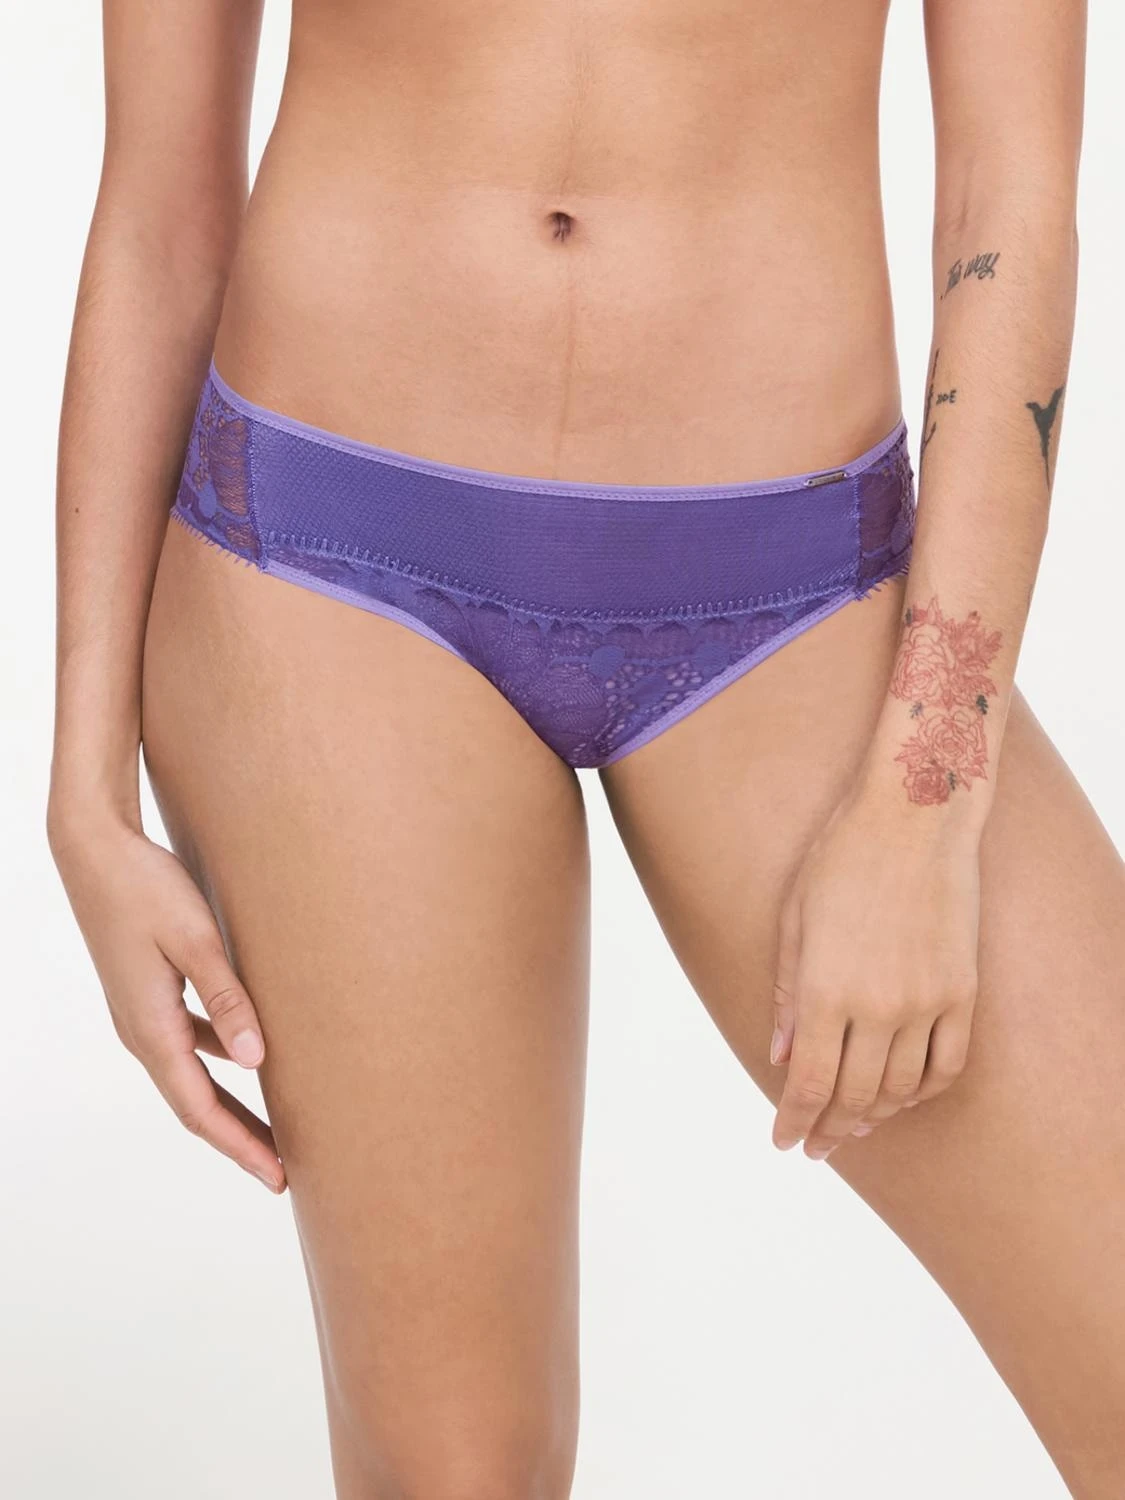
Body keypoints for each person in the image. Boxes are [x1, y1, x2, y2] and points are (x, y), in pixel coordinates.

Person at [48, 0, 1122, 1495]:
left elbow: (1006, 201)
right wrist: (84, 791)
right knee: (456, 1473)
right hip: (327, 566)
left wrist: (927, 802)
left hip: (797, 591)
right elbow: (161, 209)